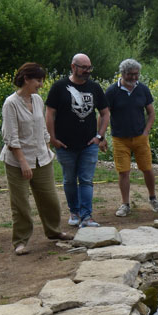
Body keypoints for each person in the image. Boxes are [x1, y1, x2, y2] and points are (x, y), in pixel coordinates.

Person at [0, 62, 66, 255]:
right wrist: (23, 163)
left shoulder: (37, 99)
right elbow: (11, 137)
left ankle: (53, 232)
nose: (41, 84)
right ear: (26, 79)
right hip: (17, 160)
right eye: (38, 80)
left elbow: (42, 127)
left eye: (42, 80)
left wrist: (46, 147)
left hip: (41, 158)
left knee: (50, 199)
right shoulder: (10, 103)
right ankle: (20, 241)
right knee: (21, 203)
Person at [47, 53, 109, 228]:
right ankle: (74, 212)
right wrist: (52, 138)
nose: (87, 71)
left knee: (87, 180)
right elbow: (50, 113)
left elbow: (105, 113)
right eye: (84, 67)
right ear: (73, 67)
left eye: (89, 68)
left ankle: (87, 216)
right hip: (65, 144)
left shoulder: (95, 88)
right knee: (69, 180)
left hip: (89, 144)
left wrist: (99, 136)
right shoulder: (59, 87)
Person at [105, 58, 158, 217]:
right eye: (131, 74)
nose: (134, 78)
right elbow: (104, 114)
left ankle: (153, 198)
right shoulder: (111, 91)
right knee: (123, 172)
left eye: (137, 74)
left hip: (140, 137)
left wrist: (146, 131)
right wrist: (100, 135)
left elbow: (151, 112)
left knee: (147, 168)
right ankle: (125, 204)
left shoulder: (143, 89)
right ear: (123, 73)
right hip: (120, 139)